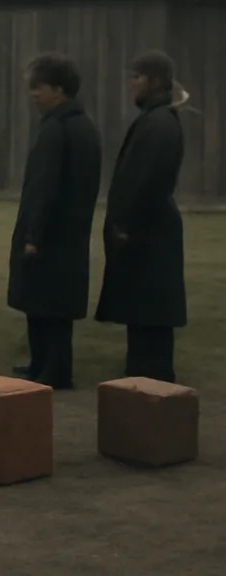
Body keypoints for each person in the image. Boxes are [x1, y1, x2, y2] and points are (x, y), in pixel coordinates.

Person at [7, 53, 102, 389]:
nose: (33, 94)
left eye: (39, 87)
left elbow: (45, 186)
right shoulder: (83, 126)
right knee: (46, 301)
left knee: (48, 304)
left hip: (50, 232)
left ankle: (55, 370)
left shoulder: (57, 129)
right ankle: (40, 362)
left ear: (59, 90)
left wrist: (34, 233)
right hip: (70, 233)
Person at [94, 51, 187, 382]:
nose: (131, 84)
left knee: (152, 307)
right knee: (142, 307)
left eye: (136, 78)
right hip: (147, 231)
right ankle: (142, 367)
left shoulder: (160, 123)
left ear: (155, 81)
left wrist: (128, 226)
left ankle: (153, 372)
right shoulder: (154, 119)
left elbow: (150, 179)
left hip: (150, 233)